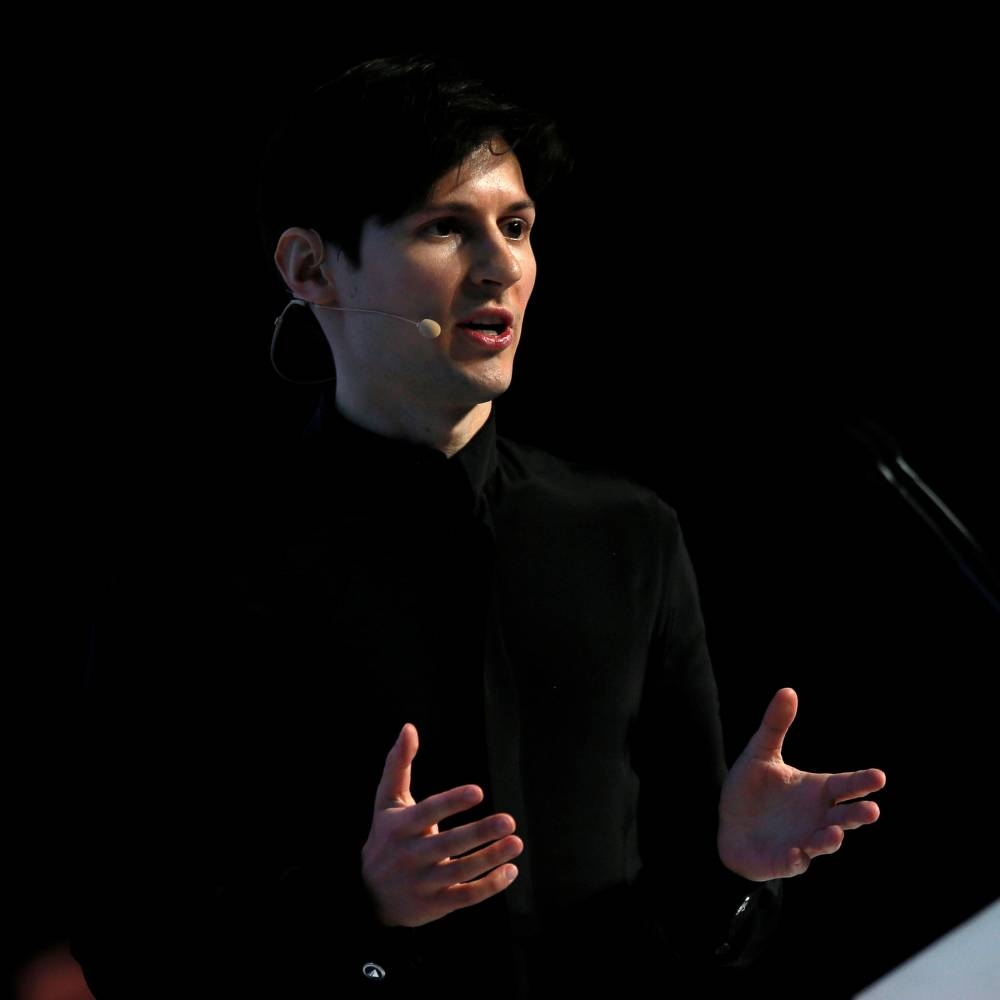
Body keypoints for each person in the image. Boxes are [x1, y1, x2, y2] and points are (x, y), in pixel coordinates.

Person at [69, 53, 886, 998]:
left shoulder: (625, 533)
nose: (501, 266)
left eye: (518, 225)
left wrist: (736, 870)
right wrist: (363, 908)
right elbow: (126, 938)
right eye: (446, 228)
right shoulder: (198, 567)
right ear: (310, 266)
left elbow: (688, 925)